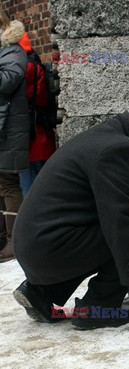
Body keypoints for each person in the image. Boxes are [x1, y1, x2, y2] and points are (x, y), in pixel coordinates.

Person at [12, 101, 129, 330]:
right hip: (47, 247)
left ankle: (41, 293)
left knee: (98, 233)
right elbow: (121, 223)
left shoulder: (104, 137)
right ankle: (96, 310)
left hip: (36, 245)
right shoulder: (120, 149)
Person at [0, 13, 29, 263]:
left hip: (9, 130)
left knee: (8, 182)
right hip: (3, 127)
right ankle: (3, 238)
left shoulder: (13, 49)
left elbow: (8, 81)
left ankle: (15, 240)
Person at [17, 32, 56, 196]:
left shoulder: (17, 68)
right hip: (43, 134)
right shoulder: (36, 65)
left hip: (25, 139)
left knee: (29, 190)